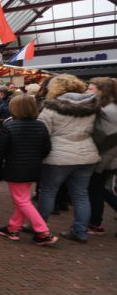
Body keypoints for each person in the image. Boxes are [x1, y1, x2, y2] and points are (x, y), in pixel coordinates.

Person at [36, 74, 100, 243]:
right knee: (81, 195)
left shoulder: (51, 108)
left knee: (48, 191)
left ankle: (39, 226)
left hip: (58, 157)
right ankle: (80, 231)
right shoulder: (93, 106)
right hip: (86, 154)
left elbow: (42, 134)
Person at [0, 94, 56, 245]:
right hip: (33, 168)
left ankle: (44, 232)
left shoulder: (9, 126)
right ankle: (13, 227)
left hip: (15, 168)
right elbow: (46, 148)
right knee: (22, 199)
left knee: (22, 201)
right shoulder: (40, 125)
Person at [87, 77, 117, 235]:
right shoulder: (110, 107)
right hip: (109, 158)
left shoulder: (107, 111)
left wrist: (100, 164)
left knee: (96, 190)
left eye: (92, 89)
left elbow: (109, 140)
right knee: (101, 189)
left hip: (106, 158)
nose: (88, 91)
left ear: (101, 91)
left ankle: (95, 223)